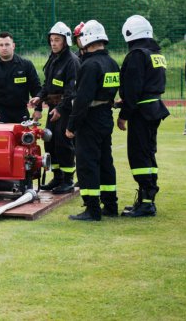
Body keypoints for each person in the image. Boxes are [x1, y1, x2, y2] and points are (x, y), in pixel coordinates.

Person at [65, 20, 120, 221]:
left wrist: (71, 126)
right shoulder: (112, 63)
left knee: (87, 163)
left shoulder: (89, 64)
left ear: (87, 39)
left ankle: (92, 209)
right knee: (106, 162)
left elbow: (82, 100)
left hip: (90, 119)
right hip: (106, 117)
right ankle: (110, 204)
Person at [117, 15, 170, 217]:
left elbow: (133, 90)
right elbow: (148, 85)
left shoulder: (137, 55)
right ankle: (146, 199)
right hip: (153, 108)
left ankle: (146, 204)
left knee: (139, 156)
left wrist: (124, 114)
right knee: (148, 153)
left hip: (141, 112)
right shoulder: (155, 54)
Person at [30, 22, 80, 194]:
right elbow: (47, 85)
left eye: (57, 40)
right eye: (51, 40)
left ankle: (68, 180)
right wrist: (39, 99)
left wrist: (59, 108)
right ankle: (57, 178)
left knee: (64, 143)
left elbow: (71, 91)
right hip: (53, 108)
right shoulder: (53, 59)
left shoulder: (71, 61)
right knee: (50, 142)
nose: (53, 43)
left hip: (65, 110)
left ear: (66, 41)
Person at [0, 32, 42, 124]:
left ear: (13, 46)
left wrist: (38, 109)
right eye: (1, 45)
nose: (4, 48)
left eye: (7, 44)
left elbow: (36, 88)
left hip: (21, 114)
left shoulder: (26, 65)